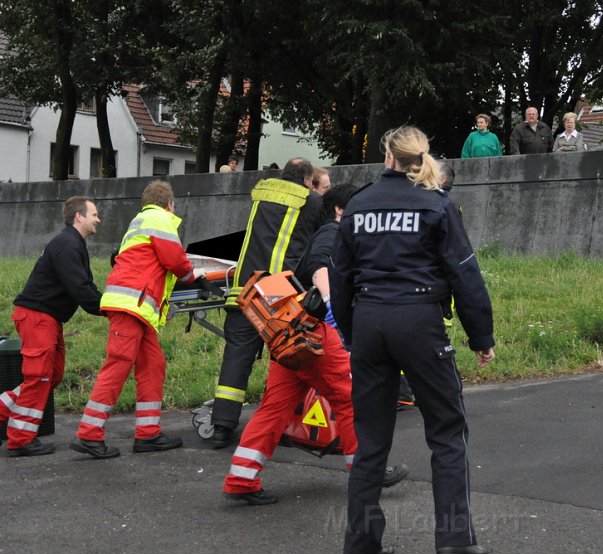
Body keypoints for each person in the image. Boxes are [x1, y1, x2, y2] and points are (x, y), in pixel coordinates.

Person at [331, 126, 496, 554]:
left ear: (388, 156)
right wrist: (481, 335)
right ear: (421, 158)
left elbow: (341, 279)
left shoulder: (358, 205)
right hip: (419, 320)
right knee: (446, 432)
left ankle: (361, 546)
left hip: (368, 321)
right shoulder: (437, 204)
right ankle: (456, 540)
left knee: (371, 441)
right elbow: (464, 273)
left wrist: (352, 334)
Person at [222, 183, 408, 505]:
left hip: (291, 336)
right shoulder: (333, 232)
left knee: (274, 408)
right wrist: (334, 308)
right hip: (315, 335)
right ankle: (369, 475)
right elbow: (320, 267)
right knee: (352, 400)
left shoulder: (328, 233)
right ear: (340, 210)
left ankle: (241, 478)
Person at [70, 180, 203, 459]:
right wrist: (194, 278)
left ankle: (148, 433)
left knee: (153, 365)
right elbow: (176, 261)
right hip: (132, 306)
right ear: (170, 204)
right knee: (117, 366)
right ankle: (89, 434)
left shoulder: (140, 219)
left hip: (133, 307)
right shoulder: (160, 218)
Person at [208, 157, 324, 449]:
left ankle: (221, 427)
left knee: (236, 361)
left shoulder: (261, 192)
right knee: (285, 362)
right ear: (308, 180)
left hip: (243, 294)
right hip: (279, 297)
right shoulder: (311, 202)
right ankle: (284, 424)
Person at [0, 197, 103, 456]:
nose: (98, 219)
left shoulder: (72, 243)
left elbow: (85, 285)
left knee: (50, 376)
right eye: (94, 214)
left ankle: (6, 416)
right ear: (79, 216)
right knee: (39, 377)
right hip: (38, 317)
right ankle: (21, 439)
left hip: (47, 318)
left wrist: (107, 304)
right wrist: (109, 309)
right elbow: (79, 287)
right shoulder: (68, 244)